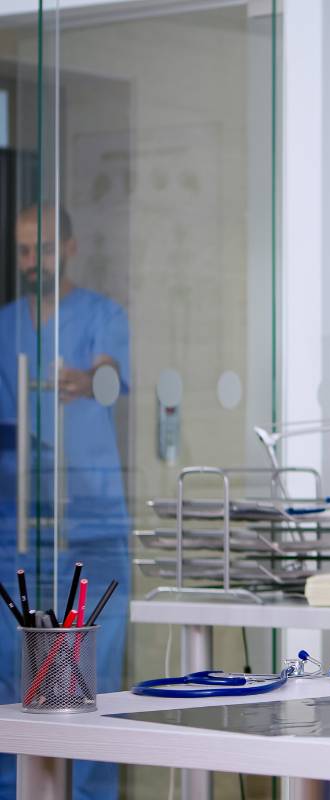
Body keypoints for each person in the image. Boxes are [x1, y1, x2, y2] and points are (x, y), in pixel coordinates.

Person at [0, 205, 131, 800]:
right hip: (18, 521)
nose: (35, 264)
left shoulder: (103, 317)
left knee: (91, 678)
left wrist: (86, 378)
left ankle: (92, 794)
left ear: (71, 248)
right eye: (25, 252)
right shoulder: (5, 327)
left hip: (91, 519)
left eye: (46, 250)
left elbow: (107, 376)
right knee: (13, 677)